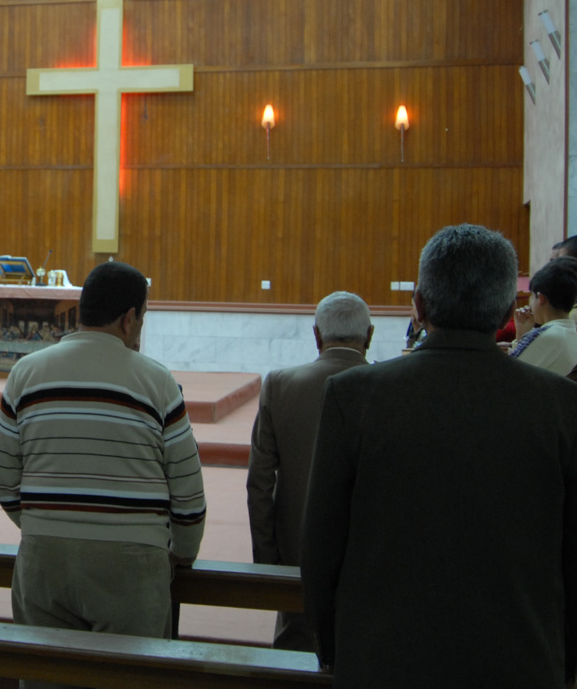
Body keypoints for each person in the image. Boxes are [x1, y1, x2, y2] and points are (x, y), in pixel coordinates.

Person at [301, 224, 577, 688]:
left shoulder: (355, 395)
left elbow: (322, 542)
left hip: (383, 660)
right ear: (507, 311)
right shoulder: (562, 404)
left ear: (420, 305)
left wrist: (332, 647)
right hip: (522, 661)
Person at [0, 261, 206, 689]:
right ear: (129, 319)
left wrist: (42, 522)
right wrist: (183, 551)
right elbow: (188, 490)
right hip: (132, 565)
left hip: (44, 560)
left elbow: (2, 479)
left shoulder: (25, 373)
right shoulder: (158, 381)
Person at [245, 290, 371, 652]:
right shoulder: (392, 389)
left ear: (317, 335)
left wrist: (268, 560)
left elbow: (259, 483)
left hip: (296, 555)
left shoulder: (280, 385)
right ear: (369, 335)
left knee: (295, 651)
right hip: (369, 559)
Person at [509, 256, 577, 375]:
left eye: (532, 297)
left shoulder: (547, 335)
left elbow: (510, 372)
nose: (531, 303)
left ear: (540, 298)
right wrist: (522, 334)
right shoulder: (571, 331)